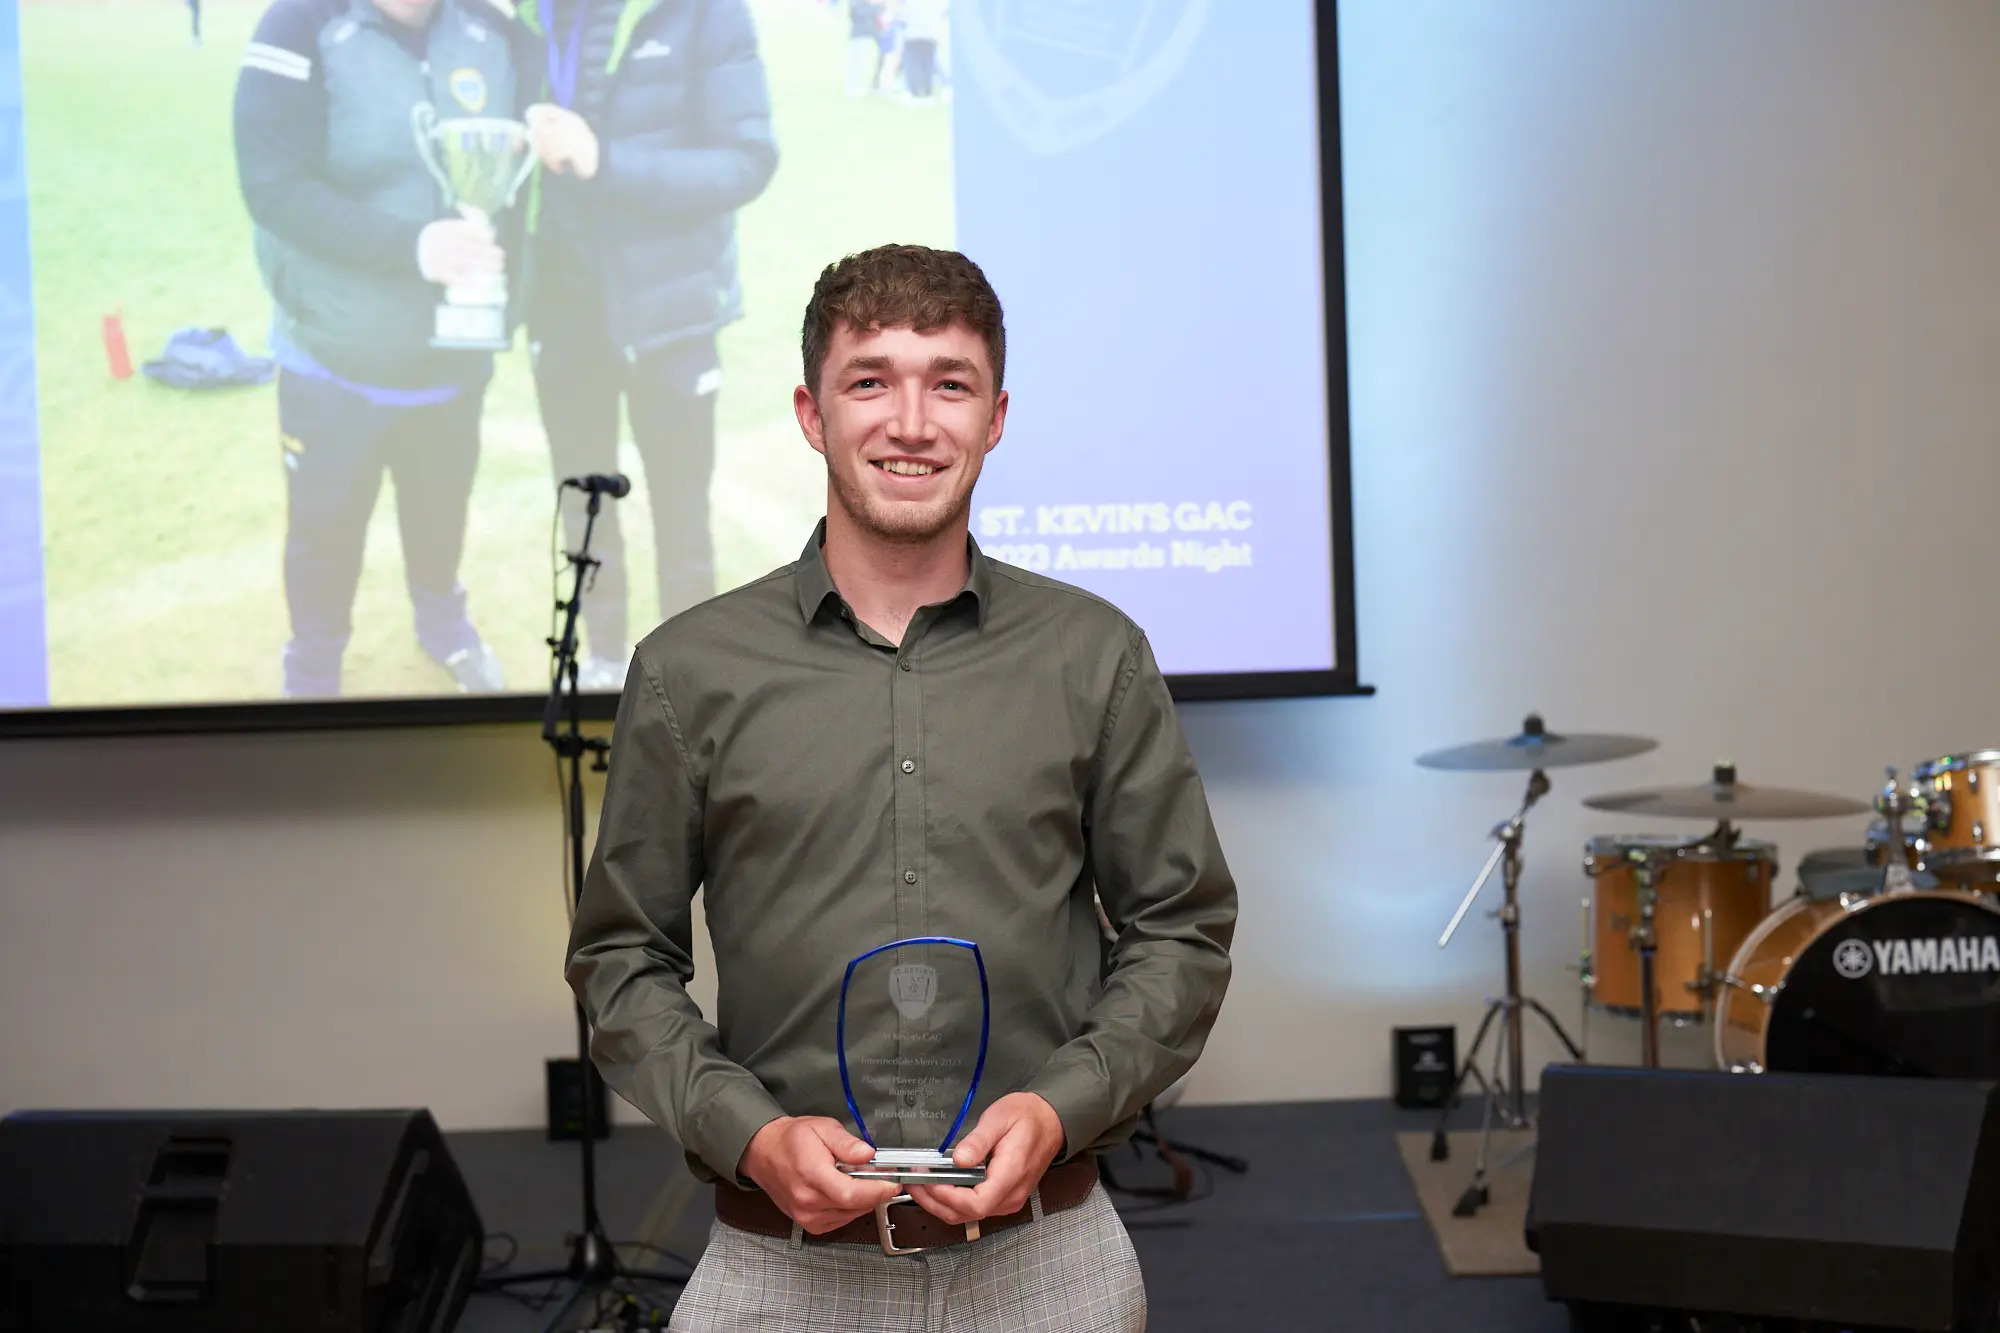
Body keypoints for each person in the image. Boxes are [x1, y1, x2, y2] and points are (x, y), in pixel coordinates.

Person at [566, 244, 1238, 1331]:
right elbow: (619, 958)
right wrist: (746, 1131)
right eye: (870, 380)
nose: (912, 423)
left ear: (997, 415)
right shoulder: (688, 670)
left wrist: (1060, 1109)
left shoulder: (1094, 655)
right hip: (777, 1276)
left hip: (1048, 1270)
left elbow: (1181, 929)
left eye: (950, 383)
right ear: (809, 411)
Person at [234, 0, 520, 698]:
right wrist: (414, 247)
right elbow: (272, 187)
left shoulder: (493, 29)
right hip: (334, 355)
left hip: (451, 358)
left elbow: (521, 170)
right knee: (324, 532)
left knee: (439, 511)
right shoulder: (297, 25)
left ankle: (443, 624)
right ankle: (313, 663)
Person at [516, 0, 778, 691]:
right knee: (582, 502)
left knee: (681, 510)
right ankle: (601, 658)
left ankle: (686, 685)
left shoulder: (703, 12)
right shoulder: (525, 14)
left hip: (670, 316)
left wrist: (606, 161)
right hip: (563, 311)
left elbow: (747, 161)